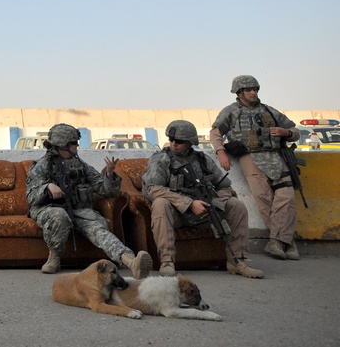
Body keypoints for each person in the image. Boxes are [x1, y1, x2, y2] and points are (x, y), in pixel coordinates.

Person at [26, 123, 152, 278]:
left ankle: (132, 262)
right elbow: (30, 196)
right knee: (59, 216)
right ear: (61, 145)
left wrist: (110, 176)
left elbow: (105, 190)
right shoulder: (42, 166)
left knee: (99, 231)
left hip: (79, 211)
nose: (76, 147)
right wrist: (47, 187)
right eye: (73, 144)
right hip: (49, 209)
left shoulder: (80, 165)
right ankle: (54, 257)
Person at [142, 120, 263, 278]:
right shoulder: (161, 160)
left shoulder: (203, 160)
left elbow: (225, 187)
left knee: (236, 205)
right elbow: (153, 189)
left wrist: (212, 204)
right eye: (171, 140)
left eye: (178, 141)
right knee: (160, 204)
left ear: (190, 142)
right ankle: (167, 261)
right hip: (177, 213)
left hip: (204, 212)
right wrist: (189, 204)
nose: (173, 144)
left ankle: (237, 261)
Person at [209, 75, 301, 261]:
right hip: (249, 157)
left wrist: (286, 132)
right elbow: (215, 133)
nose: (254, 92)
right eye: (249, 89)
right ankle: (286, 242)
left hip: (275, 157)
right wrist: (220, 151)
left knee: (287, 197)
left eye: (255, 89)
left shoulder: (269, 110)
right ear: (239, 92)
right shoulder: (231, 112)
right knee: (264, 199)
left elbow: (295, 131)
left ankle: (277, 241)